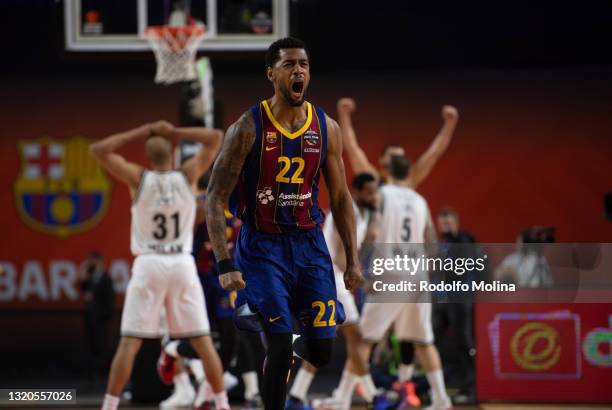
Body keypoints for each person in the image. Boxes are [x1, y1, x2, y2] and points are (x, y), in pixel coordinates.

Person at [205, 37, 363, 410]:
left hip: (309, 244)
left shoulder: (327, 128)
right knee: (277, 345)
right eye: (290, 65)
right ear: (271, 74)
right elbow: (214, 197)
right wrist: (225, 264)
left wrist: (354, 259)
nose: (299, 71)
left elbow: (340, 198)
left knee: (322, 351)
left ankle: (281, 333)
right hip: (263, 246)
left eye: (304, 65)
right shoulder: (246, 128)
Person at [90, 120, 230, 410]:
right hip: (181, 262)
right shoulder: (188, 174)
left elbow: (98, 150)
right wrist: (175, 132)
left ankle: (109, 406)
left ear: (147, 154)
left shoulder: (138, 178)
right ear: (172, 153)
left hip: (149, 262)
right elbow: (215, 137)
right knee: (203, 343)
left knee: (129, 342)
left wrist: (139, 131)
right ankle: (222, 404)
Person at [355, 155, 453, 410]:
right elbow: (430, 240)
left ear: (385, 170)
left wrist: (362, 263)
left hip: (389, 271)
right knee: (423, 340)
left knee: (364, 339)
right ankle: (442, 399)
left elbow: (374, 231)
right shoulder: (420, 200)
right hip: (417, 273)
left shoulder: (381, 194)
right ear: (409, 171)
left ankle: (343, 398)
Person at [286, 173, 378, 410]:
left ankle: (296, 396)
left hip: (330, 275)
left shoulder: (364, 213)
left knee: (324, 340)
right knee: (355, 335)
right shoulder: (345, 211)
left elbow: (358, 246)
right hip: (330, 275)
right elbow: (337, 253)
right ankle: (372, 397)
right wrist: (358, 276)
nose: (374, 196)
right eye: (369, 191)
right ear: (356, 192)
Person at [336, 97, 458, 188]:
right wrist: (344, 115)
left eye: (400, 157)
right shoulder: (374, 180)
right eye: (393, 156)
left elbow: (434, 153)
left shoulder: (410, 181)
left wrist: (450, 124)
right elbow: (352, 148)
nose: (397, 159)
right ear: (381, 160)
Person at [434, 207, 480, 404]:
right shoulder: (439, 244)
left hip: (460, 300)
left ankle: (471, 389)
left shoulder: (464, 240)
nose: (446, 225)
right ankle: (435, 389)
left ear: (456, 223)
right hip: (441, 301)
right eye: (443, 222)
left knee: (464, 342)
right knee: (431, 341)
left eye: (449, 222)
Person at [79, 251, 116, 378]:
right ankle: (92, 373)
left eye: (93, 261)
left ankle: (103, 373)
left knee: (102, 346)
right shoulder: (90, 277)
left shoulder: (106, 278)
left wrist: (105, 317)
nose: (92, 264)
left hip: (102, 319)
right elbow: (83, 290)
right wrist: (83, 274)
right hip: (90, 318)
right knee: (91, 346)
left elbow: (110, 300)